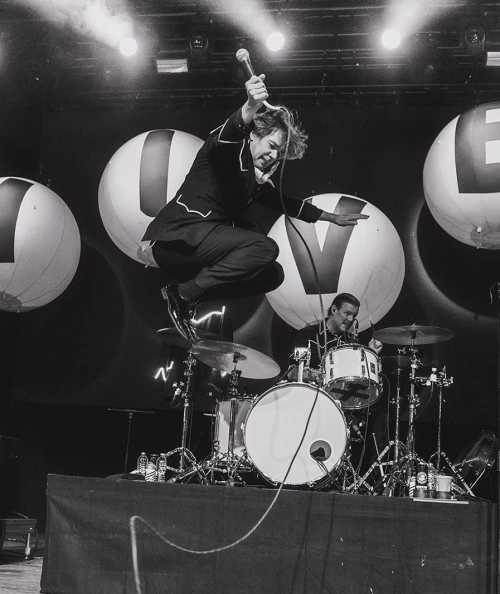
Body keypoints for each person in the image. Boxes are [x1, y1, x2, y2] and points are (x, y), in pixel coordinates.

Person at [142, 74, 368, 341]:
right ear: (253, 137)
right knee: (265, 247)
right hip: (179, 238)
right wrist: (249, 107)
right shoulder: (229, 151)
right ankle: (182, 294)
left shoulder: (252, 179)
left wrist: (330, 217)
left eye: (279, 154)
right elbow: (225, 138)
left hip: (198, 252)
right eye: (271, 146)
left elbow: (284, 202)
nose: (273, 156)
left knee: (273, 275)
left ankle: (188, 296)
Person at [289, 293, 387, 482]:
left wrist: (371, 355)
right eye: (347, 313)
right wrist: (313, 375)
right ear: (334, 310)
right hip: (309, 400)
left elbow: (358, 379)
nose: (350, 320)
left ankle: (359, 479)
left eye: (354, 316)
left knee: (378, 417)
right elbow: (292, 372)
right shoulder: (308, 335)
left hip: (339, 404)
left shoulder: (350, 343)